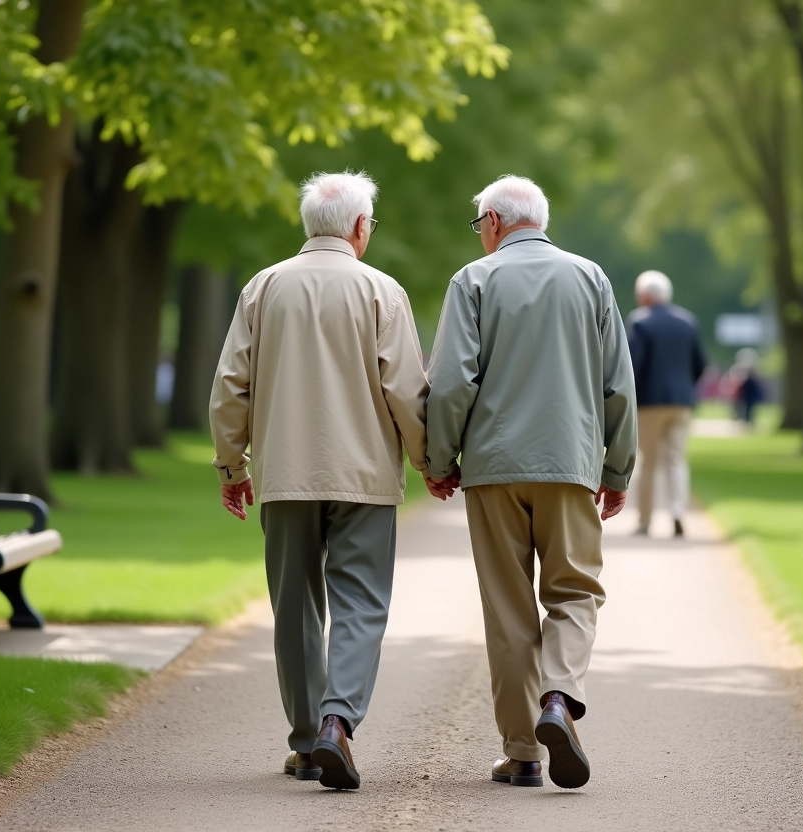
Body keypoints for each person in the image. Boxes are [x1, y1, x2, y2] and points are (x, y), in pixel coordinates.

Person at [208, 171, 449, 791]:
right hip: (363, 473)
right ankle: (337, 722)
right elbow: (404, 389)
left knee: (294, 608)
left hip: (286, 472)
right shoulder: (381, 291)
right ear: (360, 228)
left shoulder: (263, 288)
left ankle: (306, 741)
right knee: (360, 602)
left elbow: (231, 385)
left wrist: (233, 465)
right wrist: (429, 462)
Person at [426, 175, 637, 790]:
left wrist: (440, 460)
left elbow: (450, 383)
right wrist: (617, 468)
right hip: (570, 465)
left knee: (509, 610)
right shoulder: (591, 278)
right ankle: (559, 698)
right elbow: (618, 384)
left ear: (492, 220)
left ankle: (522, 754)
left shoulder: (474, 280)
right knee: (574, 592)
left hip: (492, 468)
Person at [627, 270, 706, 538]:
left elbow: (632, 367)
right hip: (681, 403)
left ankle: (645, 520)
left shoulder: (640, 322)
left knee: (648, 461)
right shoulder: (687, 322)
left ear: (645, 296)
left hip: (650, 402)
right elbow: (700, 364)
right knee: (676, 459)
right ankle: (678, 512)